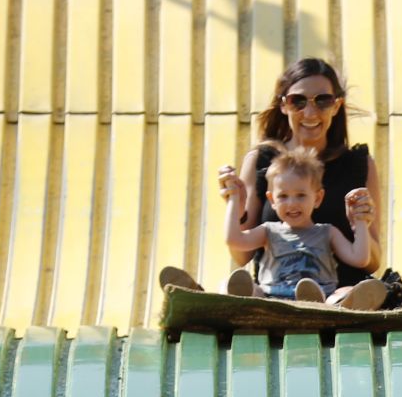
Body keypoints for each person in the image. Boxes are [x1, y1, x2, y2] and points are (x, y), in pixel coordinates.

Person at [159, 57, 387, 308]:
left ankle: (335, 307)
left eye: (323, 100)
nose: (310, 113)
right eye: (297, 101)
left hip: (334, 292)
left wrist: (361, 225)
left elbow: (370, 261)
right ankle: (202, 302)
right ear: (283, 106)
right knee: (231, 286)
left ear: (336, 105)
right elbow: (241, 253)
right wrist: (235, 204)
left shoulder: (358, 165)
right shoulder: (262, 161)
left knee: (345, 295)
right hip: (271, 294)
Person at [220, 145, 377, 305]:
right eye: (283, 196)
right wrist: (234, 200)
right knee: (239, 286)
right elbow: (234, 240)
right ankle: (240, 297)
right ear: (272, 200)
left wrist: (360, 223)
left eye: (301, 195)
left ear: (317, 198)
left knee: (345, 291)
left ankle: (329, 303)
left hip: (322, 298)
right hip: (271, 300)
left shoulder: (327, 232)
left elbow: (360, 259)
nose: (292, 204)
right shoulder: (268, 231)